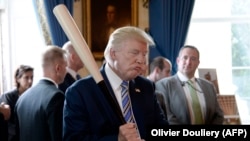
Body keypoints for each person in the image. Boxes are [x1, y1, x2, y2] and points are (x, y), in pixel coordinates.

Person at [63, 26, 168, 141]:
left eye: (144, 54)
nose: (141, 60)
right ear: (113, 53)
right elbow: (73, 139)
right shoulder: (80, 92)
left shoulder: (146, 86)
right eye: (135, 53)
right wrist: (116, 139)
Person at [155, 45, 224, 124]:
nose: (188, 62)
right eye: (185, 58)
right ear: (178, 61)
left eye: (193, 59)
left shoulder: (209, 86)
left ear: (198, 63)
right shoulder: (163, 85)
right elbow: (167, 116)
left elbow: (218, 115)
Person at [15, 45, 67, 141]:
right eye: (66, 66)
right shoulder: (56, 97)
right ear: (58, 68)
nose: (66, 70)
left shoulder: (21, 99)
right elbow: (58, 137)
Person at [0, 65, 34, 141]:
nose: (30, 81)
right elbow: (8, 119)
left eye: (32, 77)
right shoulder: (8, 96)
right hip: (12, 137)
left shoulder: (32, 95)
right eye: (26, 77)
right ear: (18, 79)